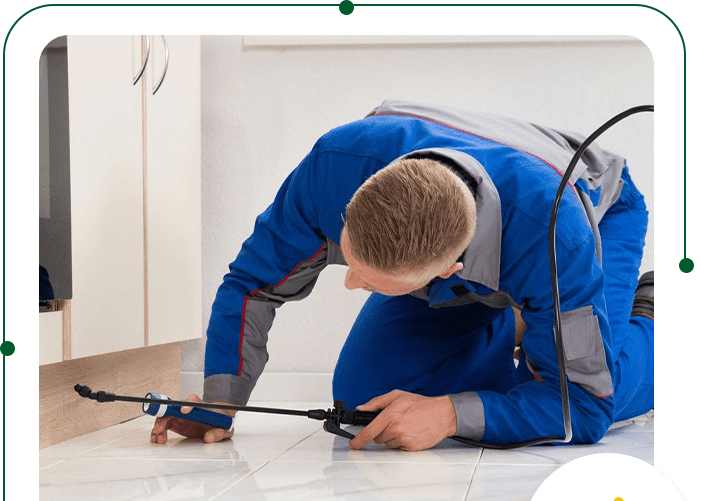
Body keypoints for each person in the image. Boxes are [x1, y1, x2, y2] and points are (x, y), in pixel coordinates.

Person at [150, 99, 654, 450]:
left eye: (369, 282)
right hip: (494, 240)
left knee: (586, 394)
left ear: (449, 272)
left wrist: (452, 414)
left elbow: (582, 407)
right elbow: (251, 286)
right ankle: (528, 324)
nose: (349, 282)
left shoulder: (556, 241)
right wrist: (221, 400)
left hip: (598, 213)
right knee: (364, 404)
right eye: (353, 263)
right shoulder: (333, 169)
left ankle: (654, 314)